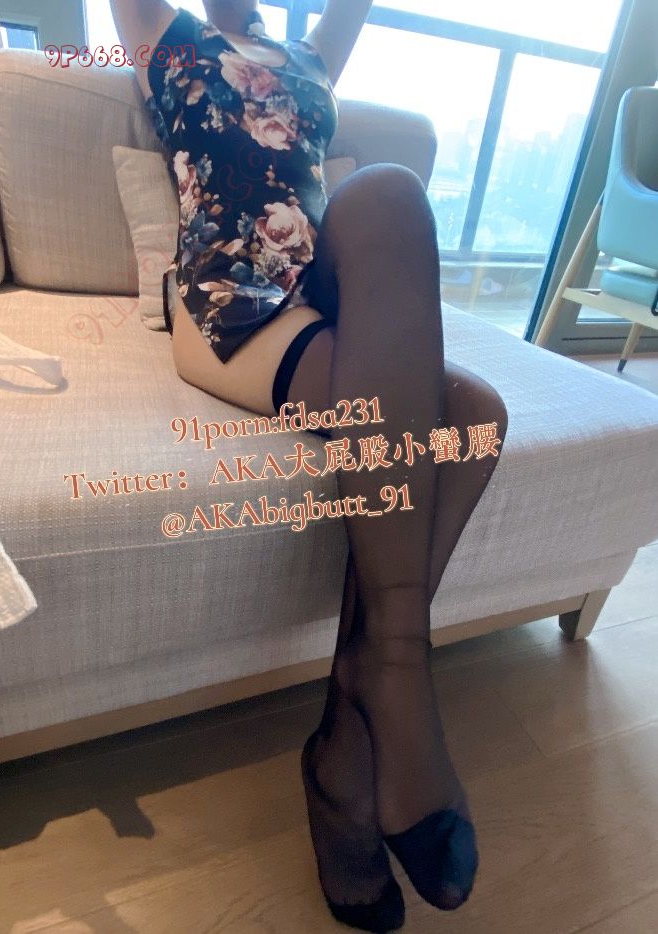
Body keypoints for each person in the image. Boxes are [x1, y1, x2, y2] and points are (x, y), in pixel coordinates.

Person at [110, 2, 510, 930]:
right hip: (233, 298)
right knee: (469, 420)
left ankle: (361, 709)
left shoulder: (307, 53)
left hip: (324, 287)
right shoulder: (165, 36)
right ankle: (380, 701)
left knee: (388, 193)